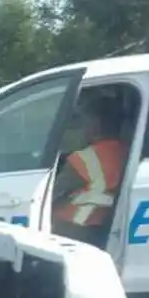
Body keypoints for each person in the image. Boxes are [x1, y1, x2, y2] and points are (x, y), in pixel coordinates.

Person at [51, 91, 129, 240]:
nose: (84, 129)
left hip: (77, 229)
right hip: (109, 227)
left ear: (96, 125)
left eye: (85, 123)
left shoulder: (82, 159)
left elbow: (50, 196)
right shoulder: (130, 153)